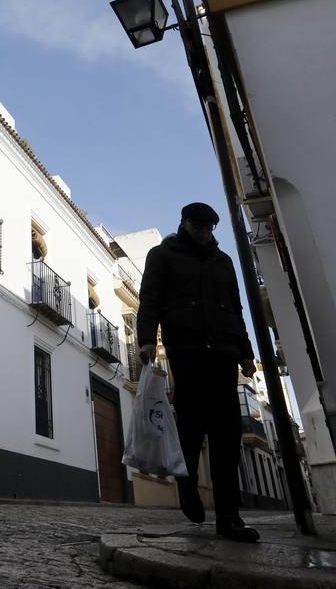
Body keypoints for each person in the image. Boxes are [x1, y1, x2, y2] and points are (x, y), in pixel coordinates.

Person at [137, 202, 261, 543]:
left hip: (224, 353)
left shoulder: (224, 262)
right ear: (185, 224)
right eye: (200, 227)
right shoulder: (163, 255)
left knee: (228, 436)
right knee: (191, 428)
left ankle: (229, 517)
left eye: (210, 228)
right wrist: (147, 340)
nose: (206, 233)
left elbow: (235, 309)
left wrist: (247, 353)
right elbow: (149, 299)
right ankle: (187, 483)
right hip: (187, 351)